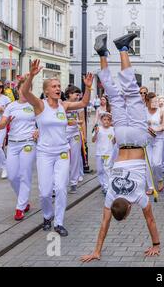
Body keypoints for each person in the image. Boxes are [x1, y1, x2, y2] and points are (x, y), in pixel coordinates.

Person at [80, 33, 160, 262]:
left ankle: (123, 48)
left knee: (132, 93)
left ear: (128, 211)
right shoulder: (111, 196)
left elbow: (151, 221)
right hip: (122, 137)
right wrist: (96, 250)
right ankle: (103, 55)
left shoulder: (137, 196)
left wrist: (156, 244)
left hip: (134, 138)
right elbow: (104, 224)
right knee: (114, 96)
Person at [21, 59, 93, 237]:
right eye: (53, 86)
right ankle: (47, 215)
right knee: (45, 192)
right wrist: (31, 75)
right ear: (46, 91)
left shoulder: (64, 105)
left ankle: (59, 222)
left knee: (61, 188)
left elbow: (83, 103)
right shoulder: (40, 105)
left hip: (62, 152)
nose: (57, 88)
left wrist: (89, 88)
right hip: (45, 153)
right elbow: (24, 92)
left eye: (59, 85)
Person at [0, 77, 38, 221]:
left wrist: (38, 131)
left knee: (24, 174)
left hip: (28, 143)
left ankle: (20, 207)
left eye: (27, 88)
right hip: (13, 144)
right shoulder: (11, 106)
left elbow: (43, 123)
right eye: (22, 88)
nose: (24, 91)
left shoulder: (35, 105)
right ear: (18, 89)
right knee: (12, 176)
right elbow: (1, 125)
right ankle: (24, 200)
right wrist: (6, 121)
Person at [64, 85, 85, 194]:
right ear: (69, 94)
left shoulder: (79, 106)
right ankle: (62, 181)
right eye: (76, 94)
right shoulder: (62, 104)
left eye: (79, 95)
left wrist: (84, 136)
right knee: (64, 159)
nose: (78, 97)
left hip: (75, 134)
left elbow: (82, 121)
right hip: (63, 134)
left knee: (75, 158)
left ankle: (73, 182)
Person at [146, 92, 164, 195]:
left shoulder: (161, 111)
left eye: (156, 101)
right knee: (148, 164)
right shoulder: (143, 112)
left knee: (156, 163)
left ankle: (159, 179)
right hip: (147, 141)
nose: (155, 103)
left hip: (158, 139)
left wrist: (156, 130)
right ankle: (150, 187)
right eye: (153, 101)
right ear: (147, 102)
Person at [93, 112, 115, 195]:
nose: (106, 121)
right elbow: (93, 140)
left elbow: (114, 142)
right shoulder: (98, 128)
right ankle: (103, 185)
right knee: (99, 171)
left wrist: (116, 137)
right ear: (101, 120)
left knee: (107, 170)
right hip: (99, 153)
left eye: (108, 120)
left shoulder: (112, 129)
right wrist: (96, 133)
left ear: (110, 121)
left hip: (108, 153)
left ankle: (107, 187)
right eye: (104, 119)